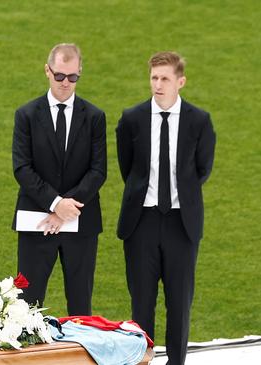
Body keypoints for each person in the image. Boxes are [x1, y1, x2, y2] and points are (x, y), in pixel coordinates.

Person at [116, 51, 216, 365]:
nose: (157, 85)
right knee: (141, 303)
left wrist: (178, 196)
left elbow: (202, 169)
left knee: (179, 303)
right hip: (140, 223)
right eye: (154, 78)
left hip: (181, 224)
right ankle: (142, 360)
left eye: (165, 79)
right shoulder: (131, 118)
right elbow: (127, 167)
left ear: (180, 82)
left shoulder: (199, 121)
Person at [12, 43, 107, 315]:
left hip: (81, 225)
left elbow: (98, 170)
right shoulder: (26, 115)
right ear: (47, 71)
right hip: (36, 222)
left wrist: (67, 208)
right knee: (26, 306)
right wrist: (56, 204)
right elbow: (22, 168)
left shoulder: (95, 117)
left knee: (80, 306)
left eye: (73, 77)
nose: (66, 83)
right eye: (60, 76)